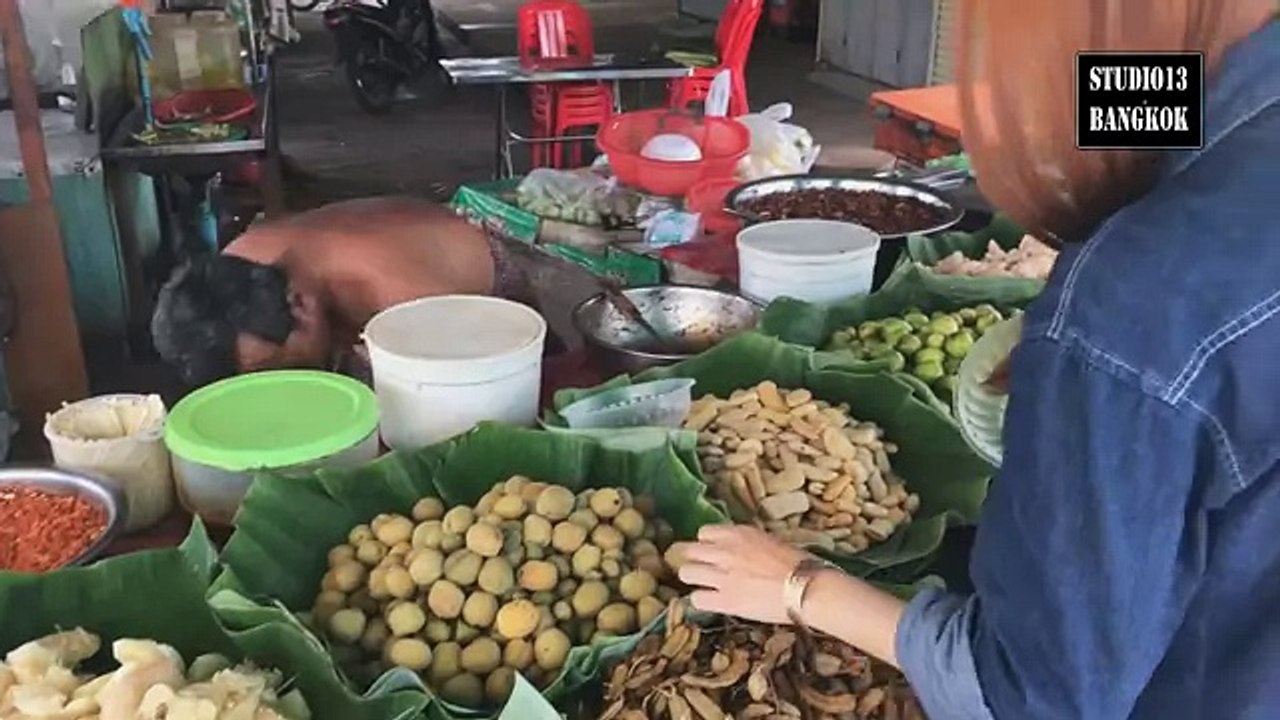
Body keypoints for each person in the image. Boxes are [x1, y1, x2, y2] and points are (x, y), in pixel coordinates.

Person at [673, 2, 1280, 719]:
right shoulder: (1229, 81)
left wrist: (799, 585)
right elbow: (1173, 110)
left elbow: (1032, 698)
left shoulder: (1129, 315)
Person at [151, 197, 548, 386]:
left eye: (272, 367)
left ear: (300, 305)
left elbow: (467, 390)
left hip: (481, 284)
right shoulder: (237, 266)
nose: (271, 382)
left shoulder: (400, 297)